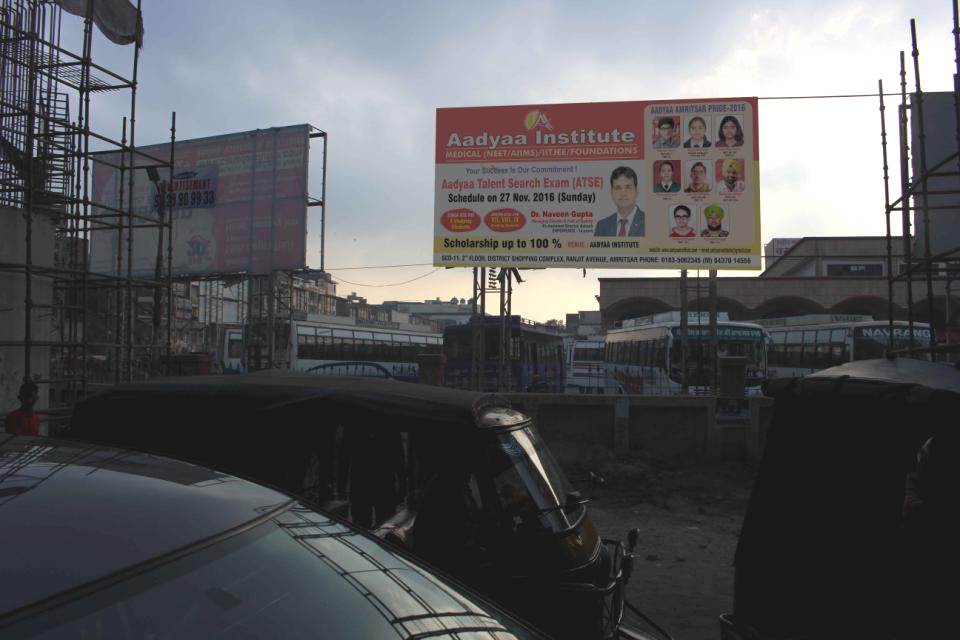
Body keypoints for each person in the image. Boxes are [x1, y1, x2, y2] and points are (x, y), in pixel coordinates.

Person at [593, 166, 645, 237]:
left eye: (628, 187)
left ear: (637, 191)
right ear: (611, 192)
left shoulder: (650, 223)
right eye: (618, 188)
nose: (623, 193)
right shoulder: (602, 226)